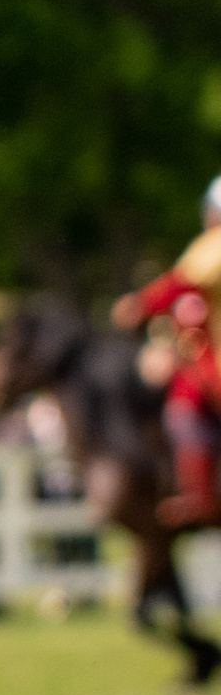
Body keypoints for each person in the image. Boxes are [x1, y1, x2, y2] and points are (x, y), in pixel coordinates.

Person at [117, 180, 221, 526]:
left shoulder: (215, 246)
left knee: (185, 408)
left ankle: (199, 496)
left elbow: (180, 284)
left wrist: (138, 305)